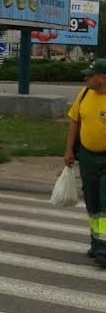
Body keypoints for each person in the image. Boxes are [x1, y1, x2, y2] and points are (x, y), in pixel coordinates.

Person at [64, 58, 106, 268]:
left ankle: (104, 250)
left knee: (105, 203)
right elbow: (74, 122)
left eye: (90, 75)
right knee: (92, 203)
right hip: (87, 157)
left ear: (103, 78)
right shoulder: (84, 94)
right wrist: (69, 149)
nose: (85, 78)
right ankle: (96, 243)